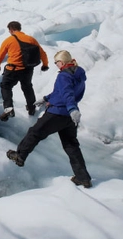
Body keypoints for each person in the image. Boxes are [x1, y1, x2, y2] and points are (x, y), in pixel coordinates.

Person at [7, 50, 92, 188]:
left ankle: (20, 156)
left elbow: (67, 93)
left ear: (62, 62)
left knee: (34, 132)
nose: (56, 65)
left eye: (56, 62)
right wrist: (46, 98)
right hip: (69, 118)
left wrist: (71, 108)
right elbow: (61, 92)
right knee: (71, 146)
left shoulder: (64, 76)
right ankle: (83, 178)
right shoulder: (78, 74)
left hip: (57, 113)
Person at [0, 20, 48, 120]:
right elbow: (42, 53)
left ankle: (8, 107)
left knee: (6, 86)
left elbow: (0, 54)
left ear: (11, 29)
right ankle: (31, 108)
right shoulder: (31, 39)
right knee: (27, 87)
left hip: (13, 69)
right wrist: (45, 64)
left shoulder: (9, 40)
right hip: (27, 69)